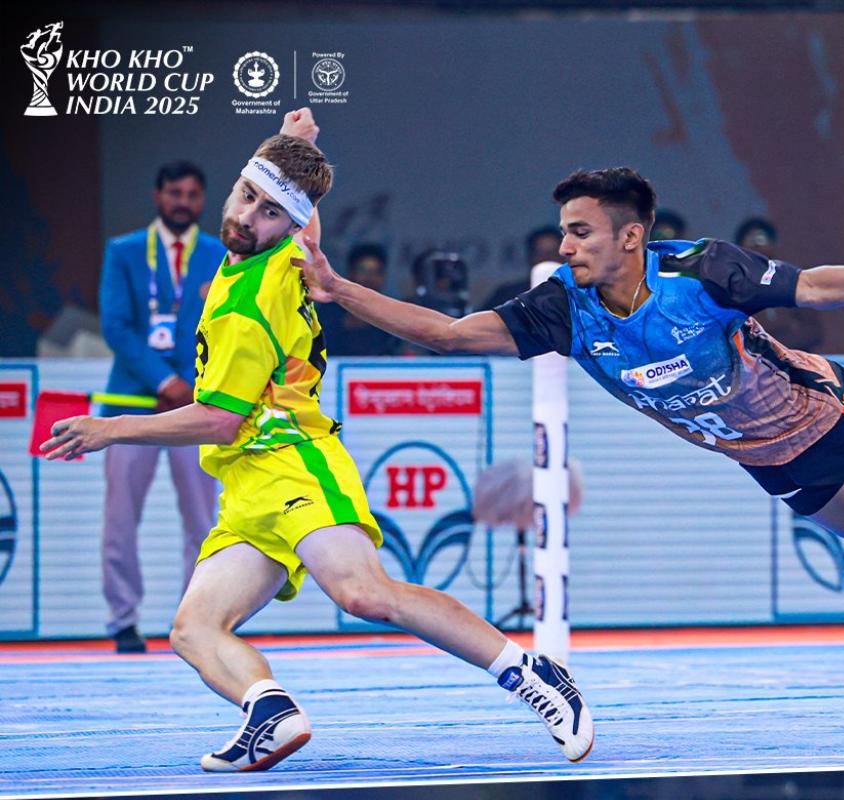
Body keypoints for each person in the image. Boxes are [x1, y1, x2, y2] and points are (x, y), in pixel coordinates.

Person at [294, 166, 844, 694]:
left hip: (829, 416)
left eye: (582, 233)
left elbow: (819, 287)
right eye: (564, 233)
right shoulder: (560, 311)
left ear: (632, 235)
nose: (567, 247)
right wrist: (338, 291)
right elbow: (449, 335)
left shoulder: (703, 270)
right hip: (764, 460)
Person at [42, 109, 593, 772]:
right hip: (246, 488)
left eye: (270, 213)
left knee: (363, 594)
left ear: (287, 224)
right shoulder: (259, 243)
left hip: (295, 464)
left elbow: (217, 418)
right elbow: (295, 207)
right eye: (247, 197)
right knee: (193, 628)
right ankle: (267, 710)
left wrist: (112, 429)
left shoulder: (263, 290)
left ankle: (531, 672)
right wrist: (293, 145)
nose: (249, 217)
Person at [97, 160, 224, 653]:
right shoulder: (124, 252)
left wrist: (192, 385)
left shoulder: (219, 254)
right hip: (132, 400)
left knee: (202, 518)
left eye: (193, 194)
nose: (183, 202)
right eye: (175, 192)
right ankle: (122, 619)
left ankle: (194, 620)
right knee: (120, 518)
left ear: (202, 200)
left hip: (196, 405)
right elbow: (116, 326)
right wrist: (166, 379)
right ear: (158, 195)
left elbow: (226, 326)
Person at [734, 216, 822, 351]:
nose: (757, 247)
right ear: (738, 248)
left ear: (774, 244)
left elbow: (813, 332)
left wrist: (776, 344)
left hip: (793, 361)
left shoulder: (791, 279)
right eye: (750, 242)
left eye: (761, 240)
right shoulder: (732, 284)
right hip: (750, 362)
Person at [319, 243, 396, 356]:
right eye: (363, 270)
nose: (370, 278)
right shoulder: (330, 309)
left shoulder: (392, 312)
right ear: (350, 273)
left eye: (376, 272)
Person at [482, 225, 562, 310]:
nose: (547, 258)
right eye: (539, 254)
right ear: (529, 257)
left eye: (553, 253)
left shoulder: (575, 295)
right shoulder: (507, 295)